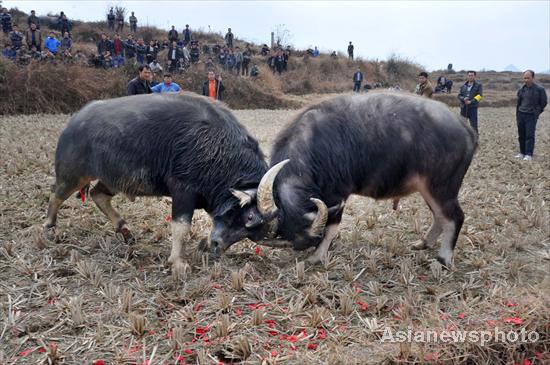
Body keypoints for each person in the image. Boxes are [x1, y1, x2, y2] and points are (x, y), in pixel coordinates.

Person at [514, 70, 547, 161]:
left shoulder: (540, 89)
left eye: (528, 78)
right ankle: (522, 153)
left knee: (529, 135)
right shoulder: (521, 89)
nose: (526, 80)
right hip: (521, 114)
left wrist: (536, 113)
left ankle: (529, 154)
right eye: (525, 78)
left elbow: (543, 103)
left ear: (533, 78)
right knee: (521, 135)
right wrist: (518, 113)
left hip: (531, 116)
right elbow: (519, 103)